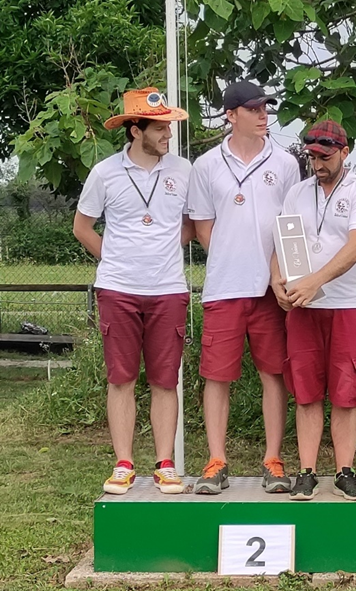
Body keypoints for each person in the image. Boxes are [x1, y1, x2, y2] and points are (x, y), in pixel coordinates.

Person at [73, 87, 192, 495]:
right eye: (160, 128)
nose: (168, 135)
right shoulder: (105, 172)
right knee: (121, 378)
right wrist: (115, 259)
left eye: (168, 127)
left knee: (165, 380)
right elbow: (82, 227)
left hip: (169, 289)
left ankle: (165, 464)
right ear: (135, 130)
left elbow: (192, 224)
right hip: (117, 289)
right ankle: (123, 464)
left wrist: (161, 250)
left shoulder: (183, 170)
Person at [187, 80, 301, 494]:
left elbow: (291, 225)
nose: (262, 115)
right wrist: (234, 259)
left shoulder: (285, 163)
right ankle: (216, 461)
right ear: (231, 115)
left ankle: (273, 460)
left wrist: (278, 272)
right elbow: (203, 227)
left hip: (272, 290)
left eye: (265, 108)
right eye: (253, 109)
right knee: (217, 376)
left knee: (274, 375)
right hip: (224, 287)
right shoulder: (206, 165)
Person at [270, 120, 356, 501]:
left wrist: (315, 280)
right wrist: (278, 280)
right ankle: (307, 472)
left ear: (345, 153)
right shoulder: (297, 192)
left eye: (325, 157)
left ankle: (345, 471)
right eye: (312, 157)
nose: (317, 164)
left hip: (347, 303)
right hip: (304, 304)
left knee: (347, 390)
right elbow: (284, 242)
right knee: (306, 390)